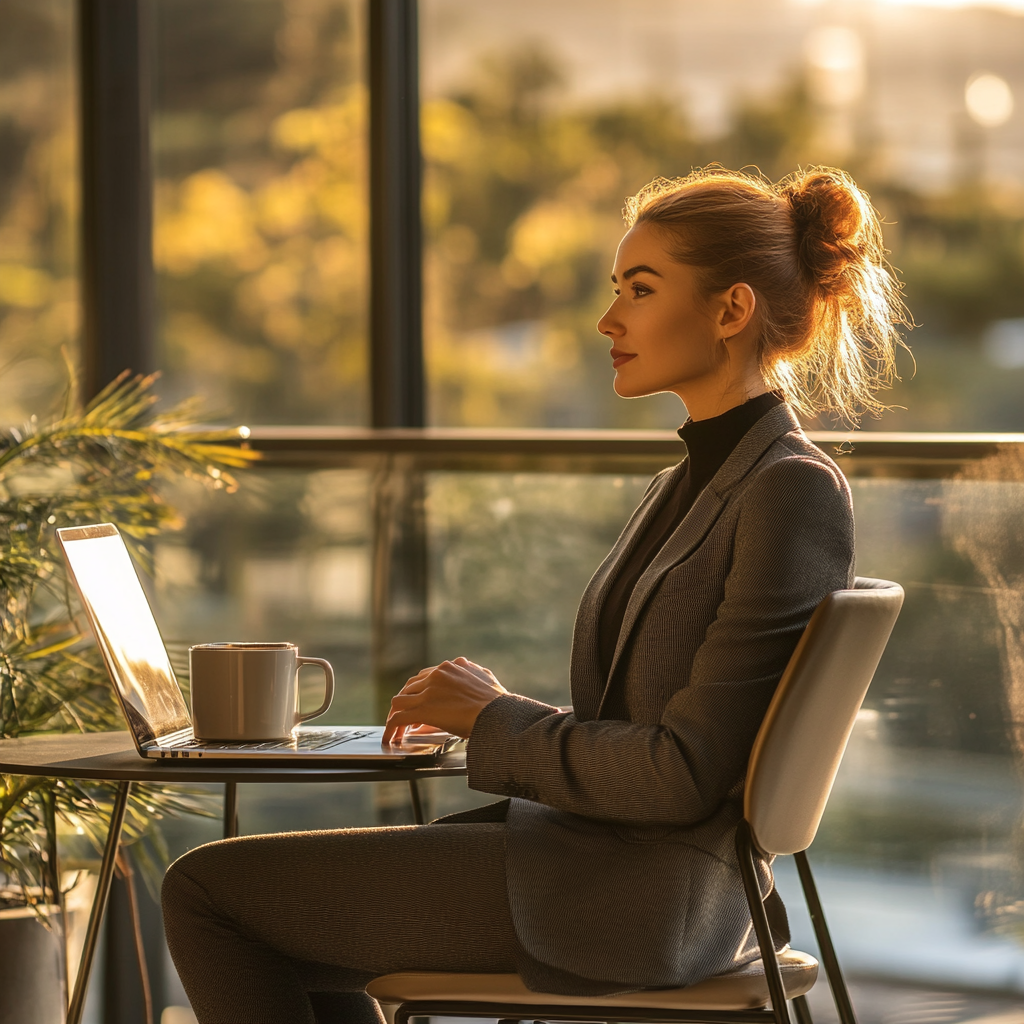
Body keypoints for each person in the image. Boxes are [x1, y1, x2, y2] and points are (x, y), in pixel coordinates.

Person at [162, 165, 910, 1024]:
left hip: (639, 897)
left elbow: (686, 774)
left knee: (207, 890)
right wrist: (489, 715)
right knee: (258, 907)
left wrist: (496, 718)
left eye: (640, 288)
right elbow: (654, 717)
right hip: (599, 864)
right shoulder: (690, 483)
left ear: (731, 311)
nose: (609, 319)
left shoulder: (788, 490)